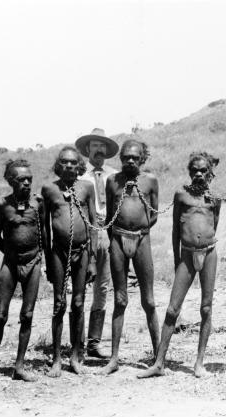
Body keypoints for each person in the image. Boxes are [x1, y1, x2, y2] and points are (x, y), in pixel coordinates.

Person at [138, 152, 222, 379]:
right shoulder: (181, 195)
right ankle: (159, 363)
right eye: (194, 170)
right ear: (189, 171)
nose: (198, 174)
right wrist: (177, 260)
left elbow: (214, 224)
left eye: (203, 170)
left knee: (206, 307)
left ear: (210, 173)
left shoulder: (215, 198)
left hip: (209, 253)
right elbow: (176, 230)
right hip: (186, 255)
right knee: (172, 309)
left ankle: (199, 363)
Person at [0, 160, 43, 384]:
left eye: (29, 180)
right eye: (21, 180)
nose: (26, 183)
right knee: (0, 315)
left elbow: (45, 234)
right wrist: (11, 255)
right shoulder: (2, 204)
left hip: (33, 262)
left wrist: (39, 259)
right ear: (11, 181)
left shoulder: (38, 203)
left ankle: (19, 366)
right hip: (10, 263)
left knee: (27, 315)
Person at [100, 139, 161, 374]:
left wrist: (140, 230)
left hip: (142, 238)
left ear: (142, 159)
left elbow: (154, 213)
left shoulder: (151, 180)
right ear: (121, 159)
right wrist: (118, 235)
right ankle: (114, 359)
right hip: (117, 238)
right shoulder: (113, 181)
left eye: (135, 157)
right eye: (126, 157)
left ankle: (158, 357)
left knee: (149, 301)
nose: (130, 161)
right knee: (120, 299)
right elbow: (108, 216)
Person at [43, 146, 97, 376]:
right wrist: (47, 258)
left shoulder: (87, 187)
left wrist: (93, 258)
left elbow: (94, 223)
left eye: (73, 163)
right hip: (58, 252)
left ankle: (75, 356)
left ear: (80, 166)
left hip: (83, 251)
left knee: (78, 302)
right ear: (58, 165)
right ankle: (56, 358)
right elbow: (45, 229)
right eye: (64, 162)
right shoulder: (49, 189)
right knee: (59, 304)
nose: (69, 166)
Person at [76, 128, 119, 359]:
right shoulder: (79, 175)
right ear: (87, 149)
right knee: (81, 286)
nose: (99, 150)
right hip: (86, 232)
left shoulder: (114, 175)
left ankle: (94, 342)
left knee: (102, 288)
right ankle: (77, 344)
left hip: (108, 231)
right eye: (95, 146)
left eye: (103, 146)